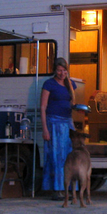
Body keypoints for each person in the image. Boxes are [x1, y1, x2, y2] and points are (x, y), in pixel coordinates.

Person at [40, 57, 76, 201]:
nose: (62, 73)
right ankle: (56, 189)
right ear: (54, 70)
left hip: (67, 122)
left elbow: (72, 102)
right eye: (59, 70)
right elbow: (43, 107)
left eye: (64, 70)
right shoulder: (49, 84)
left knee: (68, 156)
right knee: (56, 156)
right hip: (53, 123)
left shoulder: (70, 84)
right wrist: (45, 129)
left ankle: (68, 188)